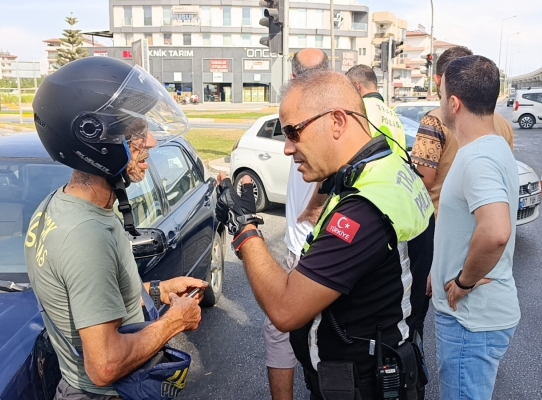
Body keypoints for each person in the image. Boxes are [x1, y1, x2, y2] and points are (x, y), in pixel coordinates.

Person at [216, 70, 434, 400]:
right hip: (385, 366)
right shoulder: (390, 167)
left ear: (336, 121)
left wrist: (243, 225)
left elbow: (285, 310)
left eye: (293, 131)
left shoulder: (364, 210)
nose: (288, 148)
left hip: (362, 383)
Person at [26, 57, 207, 400]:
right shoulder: (85, 237)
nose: (151, 142)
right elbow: (105, 365)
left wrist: (157, 291)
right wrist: (174, 322)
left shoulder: (63, 205)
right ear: (96, 141)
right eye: (138, 133)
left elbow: (87, 295)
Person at [430, 55, 520, 400]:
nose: (439, 105)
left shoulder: (478, 158)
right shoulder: (493, 145)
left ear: (454, 103)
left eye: (441, 97)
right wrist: (440, 269)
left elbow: (495, 231)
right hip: (475, 318)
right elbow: (466, 224)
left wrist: (463, 281)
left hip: (470, 321)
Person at [263, 48, 332, 400]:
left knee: (285, 323)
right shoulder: (314, 112)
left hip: (313, 246)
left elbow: (337, 165)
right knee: (306, 332)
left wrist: (314, 207)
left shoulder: (320, 118)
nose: (290, 148)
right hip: (303, 243)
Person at [411, 46, 514, 217]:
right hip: (486, 219)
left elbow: (425, 180)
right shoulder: (503, 124)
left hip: (442, 222)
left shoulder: (434, 121)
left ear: (439, 80)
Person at [345, 64, 407, 157]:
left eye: (348, 88)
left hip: (369, 171)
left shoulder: (358, 109)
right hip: (396, 170)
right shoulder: (393, 114)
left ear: (357, 86)